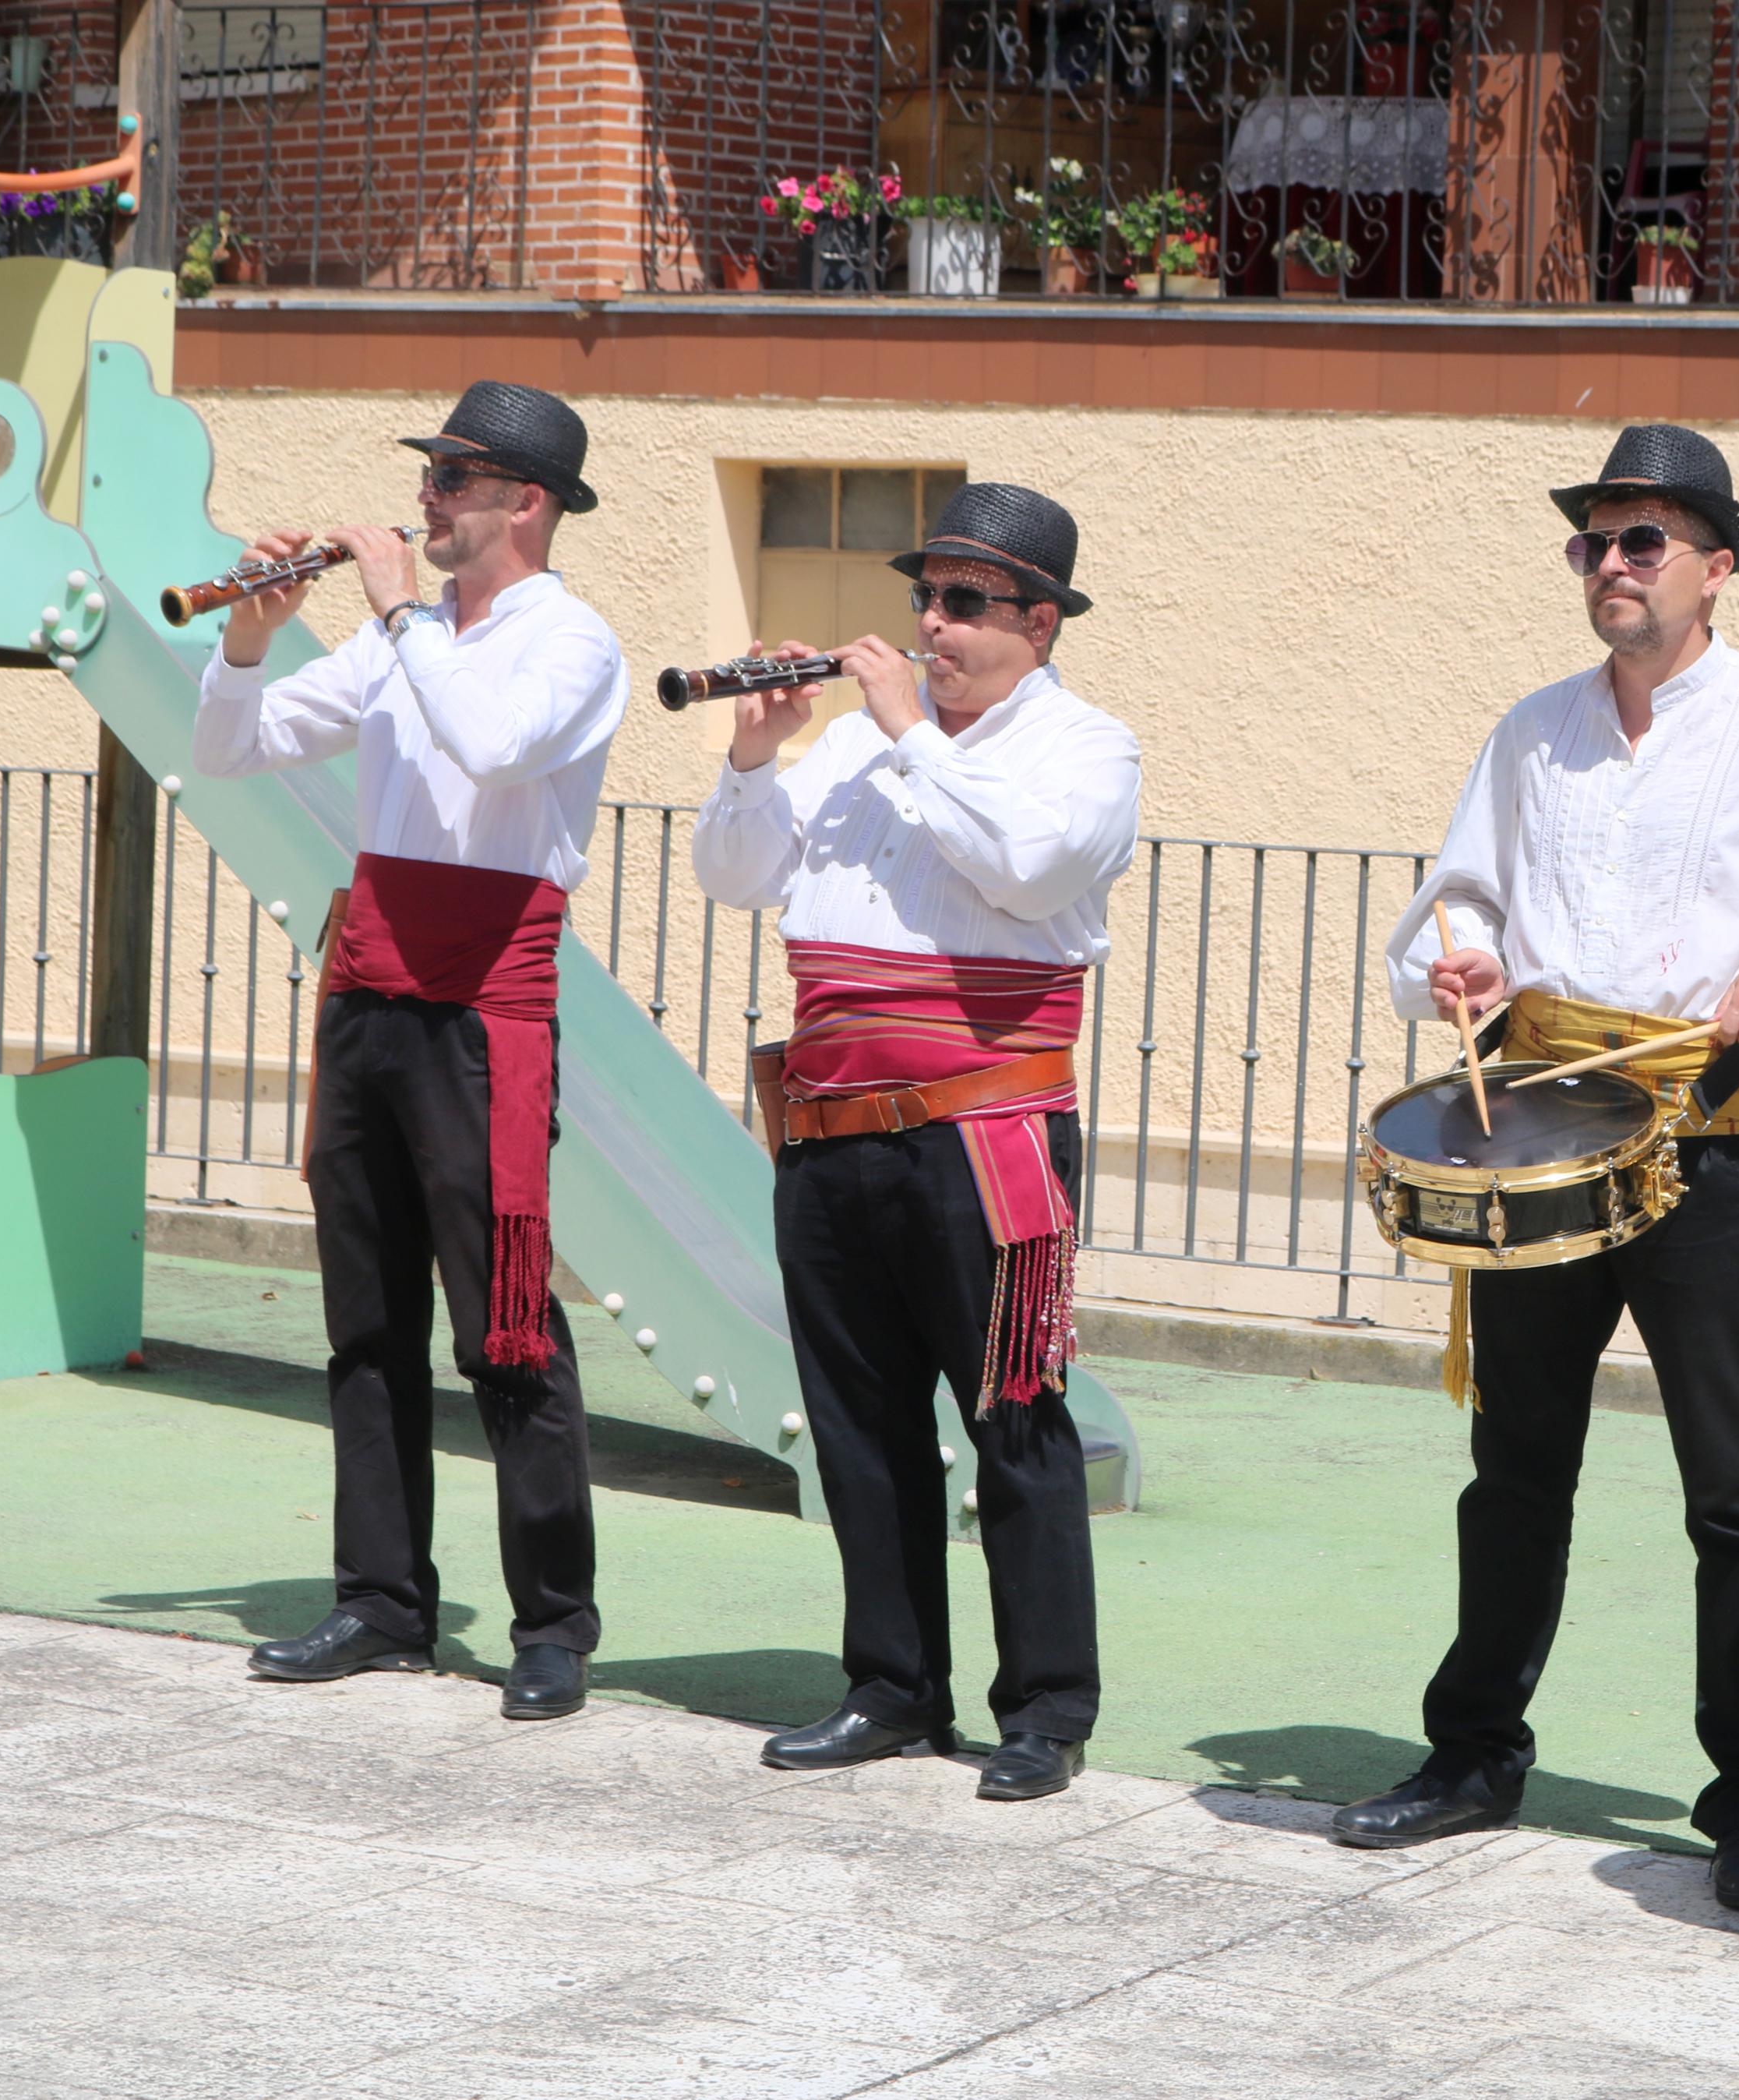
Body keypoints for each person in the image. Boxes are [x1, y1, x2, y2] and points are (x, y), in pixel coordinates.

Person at [1333, 425, 1739, 1910]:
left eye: (1642, 543)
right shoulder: (1532, 728)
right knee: (1515, 1471)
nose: (1610, 567)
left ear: (1715, 567)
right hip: (1540, 1140)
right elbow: (1452, 897)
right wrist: (1460, 959)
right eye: (1592, 543)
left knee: (1736, 1496)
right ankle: (1474, 1753)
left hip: (1710, 1150)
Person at [690, 482, 1138, 1798]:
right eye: (925, 600)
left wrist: (904, 731)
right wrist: (759, 753)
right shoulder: (847, 751)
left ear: (1040, 623)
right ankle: (891, 1688)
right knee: (858, 1423)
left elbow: (1029, 869)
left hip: (984, 1131)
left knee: (1015, 1416)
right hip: (833, 1131)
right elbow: (736, 879)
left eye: (966, 603)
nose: (933, 627)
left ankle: (1046, 1710)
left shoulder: (1085, 748)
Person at [192, 381, 625, 1721]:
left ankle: (552, 1623)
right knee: (364, 1317)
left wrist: (387, 610)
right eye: (430, 476)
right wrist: (250, 642)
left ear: (525, 504)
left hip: (488, 1007)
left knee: (506, 1322)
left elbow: (493, 747)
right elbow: (232, 751)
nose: (428, 500)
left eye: (455, 478)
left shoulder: (572, 644)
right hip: (375, 988)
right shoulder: (408, 636)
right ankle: (380, 1600)